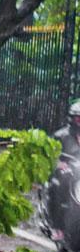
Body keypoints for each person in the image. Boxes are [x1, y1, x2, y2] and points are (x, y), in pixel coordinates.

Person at [46, 100, 80, 240]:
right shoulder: (61, 136)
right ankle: (58, 227)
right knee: (58, 187)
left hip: (78, 174)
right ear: (72, 119)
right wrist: (58, 163)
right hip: (64, 173)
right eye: (78, 119)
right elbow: (49, 154)